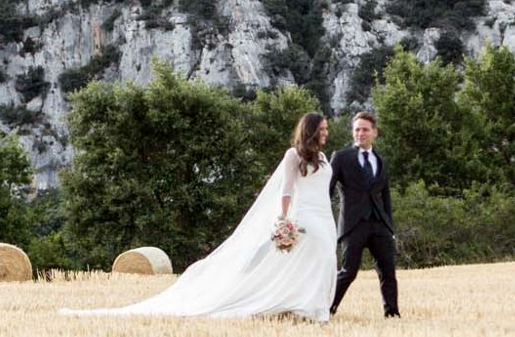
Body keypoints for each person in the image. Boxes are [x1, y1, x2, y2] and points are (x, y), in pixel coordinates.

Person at [61, 111, 340, 320]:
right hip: (306, 216)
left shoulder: (323, 158)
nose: (326, 133)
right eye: (323, 129)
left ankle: (310, 303)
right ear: (311, 131)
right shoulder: (294, 155)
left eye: (326, 129)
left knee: (323, 258)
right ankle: (308, 306)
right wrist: (283, 218)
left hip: (324, 215)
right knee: (317, 257)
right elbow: (286, 189)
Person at [325, 111, 400, 318]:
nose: (360, 133)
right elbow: (326, 190)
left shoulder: (381, 161)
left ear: (375, 132)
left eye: (365, 130)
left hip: (380, 224)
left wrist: (390, 227)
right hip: (353, 224)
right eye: (357, 129)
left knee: (388, 271)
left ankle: (392, 313)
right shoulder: (341, 157)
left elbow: (385, 197)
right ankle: (326, 309)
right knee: (348, 272)